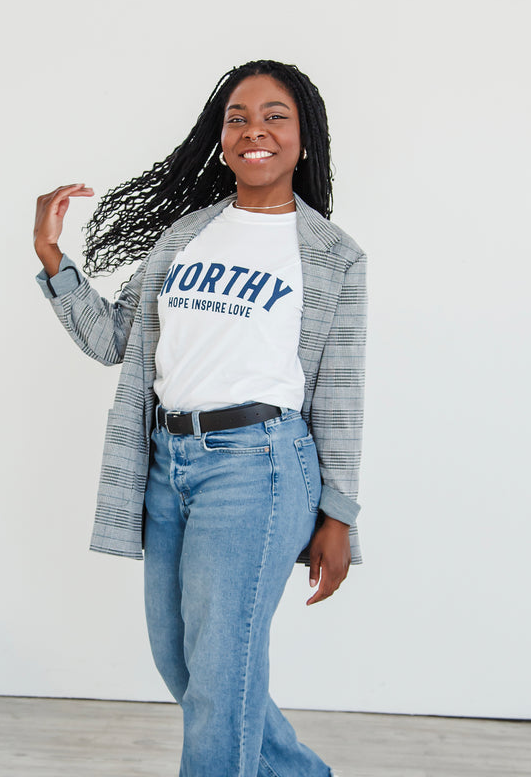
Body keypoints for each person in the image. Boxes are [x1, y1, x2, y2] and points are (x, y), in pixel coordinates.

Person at [33, 59, 368, 777]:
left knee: (219, 676)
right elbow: (114, 341)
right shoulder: (186, 235)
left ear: (304, 140)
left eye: (275, 116)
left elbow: (339, 391)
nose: (254, 131)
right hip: (169, 464)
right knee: (186, 663)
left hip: (260, 469)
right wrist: (54, 261)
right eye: (237, 118)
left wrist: (337, 512)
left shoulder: (332, 256)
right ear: (221, 140)